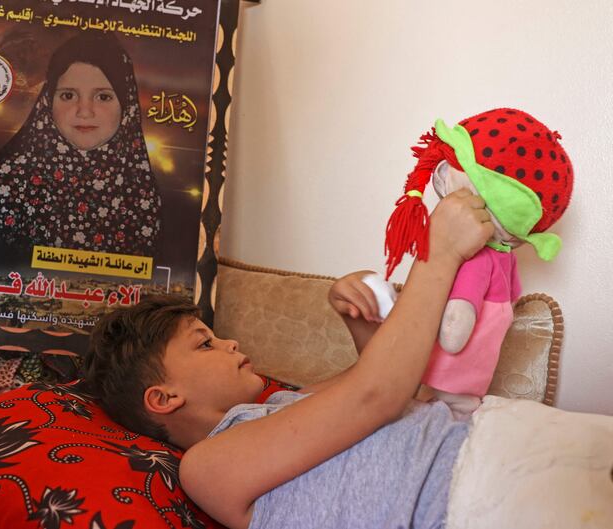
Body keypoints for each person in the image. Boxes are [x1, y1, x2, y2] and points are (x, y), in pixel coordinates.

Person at [84, 190, 613, 529]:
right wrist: (439, 255)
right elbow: (374, 396)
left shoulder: (282, 404)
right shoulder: (206, 466)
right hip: (473, 495)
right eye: (205, 343)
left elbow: (400, 393)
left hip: (494, 441)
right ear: (164, 398)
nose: (232, 344)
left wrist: (360, 324)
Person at [0, 32, 161, 257]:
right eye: (67, 95)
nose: (84, 111)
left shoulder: (139, 191)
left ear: (127, 105)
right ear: (47, 100)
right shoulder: (6, 183)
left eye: (103, 97)